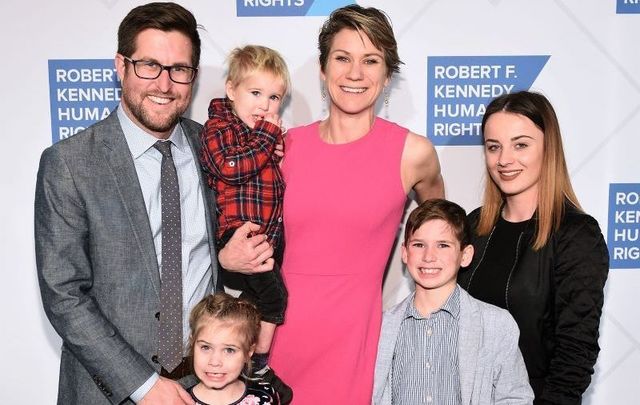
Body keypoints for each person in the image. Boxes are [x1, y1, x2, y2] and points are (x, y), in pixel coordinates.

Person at [34, 3, 273, 404]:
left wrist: (230, 259)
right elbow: (64, 294)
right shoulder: (71, 163)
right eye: (149, 65)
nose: (164, 84)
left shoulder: (213, 150)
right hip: (108, 389)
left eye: (179, 69)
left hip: (205, 388)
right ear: (120, 66)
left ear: (193, 78)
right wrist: (142, 384)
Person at [268, 4, 445, 403]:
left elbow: (441, 236)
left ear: (386, 76)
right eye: (342, 58)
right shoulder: (285, 146)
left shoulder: (412, 153)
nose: (354, 74)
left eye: (371, 61)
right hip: (279, 339)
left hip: (357, 346)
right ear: (323, 68)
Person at [457, 91, 609, 404]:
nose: (504, 159)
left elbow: (574, 356)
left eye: (521, 144)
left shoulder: (576, 235)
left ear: (548, 148)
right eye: (493, 147)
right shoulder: (473, 226)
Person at [373, 199, 534, 405]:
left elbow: (515, 398)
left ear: (465, 255)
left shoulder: (496, 325)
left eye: (443, 245)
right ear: (405, 253)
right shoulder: (381, 328)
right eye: (419, 244)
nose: (429, 256)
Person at [199, 45, 291, 402]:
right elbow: (230, 168)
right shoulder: (218, 127)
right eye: (255, 93)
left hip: (263, 238)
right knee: (275, 297)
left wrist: (274, 147)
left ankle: (248, 369)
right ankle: (261, 367)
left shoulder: (260, 137)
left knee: (251, 309)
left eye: (273, 97)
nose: (265, 106)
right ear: (231, 88)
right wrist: (268, 139)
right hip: (239, 236)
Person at [187, 292, 278, 404]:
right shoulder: (177, 401)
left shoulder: (265, 396)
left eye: (229, 350)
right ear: (193, 344)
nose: (215, 362)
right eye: (206, 347)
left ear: (248, 351)